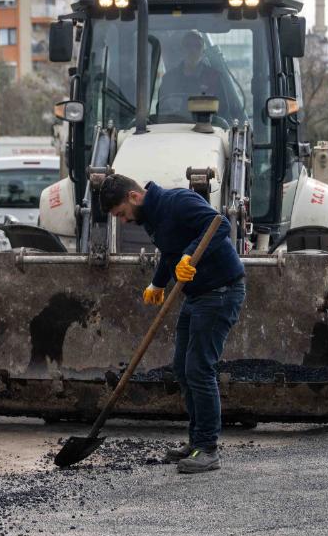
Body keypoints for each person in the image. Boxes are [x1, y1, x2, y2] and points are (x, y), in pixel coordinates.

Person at [98, 174, 247, 474]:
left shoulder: (177, 201)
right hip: (196, 295)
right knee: (182, 367)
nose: (124, 221)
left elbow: (220, 225)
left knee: (199, 368)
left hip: (220, 291)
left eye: (122, 214)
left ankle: (207, 449)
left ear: (134, 197)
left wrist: (190, 254)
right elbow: (169, 252)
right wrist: (158, 283)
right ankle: (195, 442)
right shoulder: (152, 217)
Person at [157, 30, 223, 114]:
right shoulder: (169, 79)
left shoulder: (214, 77)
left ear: (203, 51)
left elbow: (223, 110)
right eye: (188, 45)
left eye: (198, 46)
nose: (193, 50)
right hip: (175, 121)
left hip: (205, 121)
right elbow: (161, 109)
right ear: (182, 49)